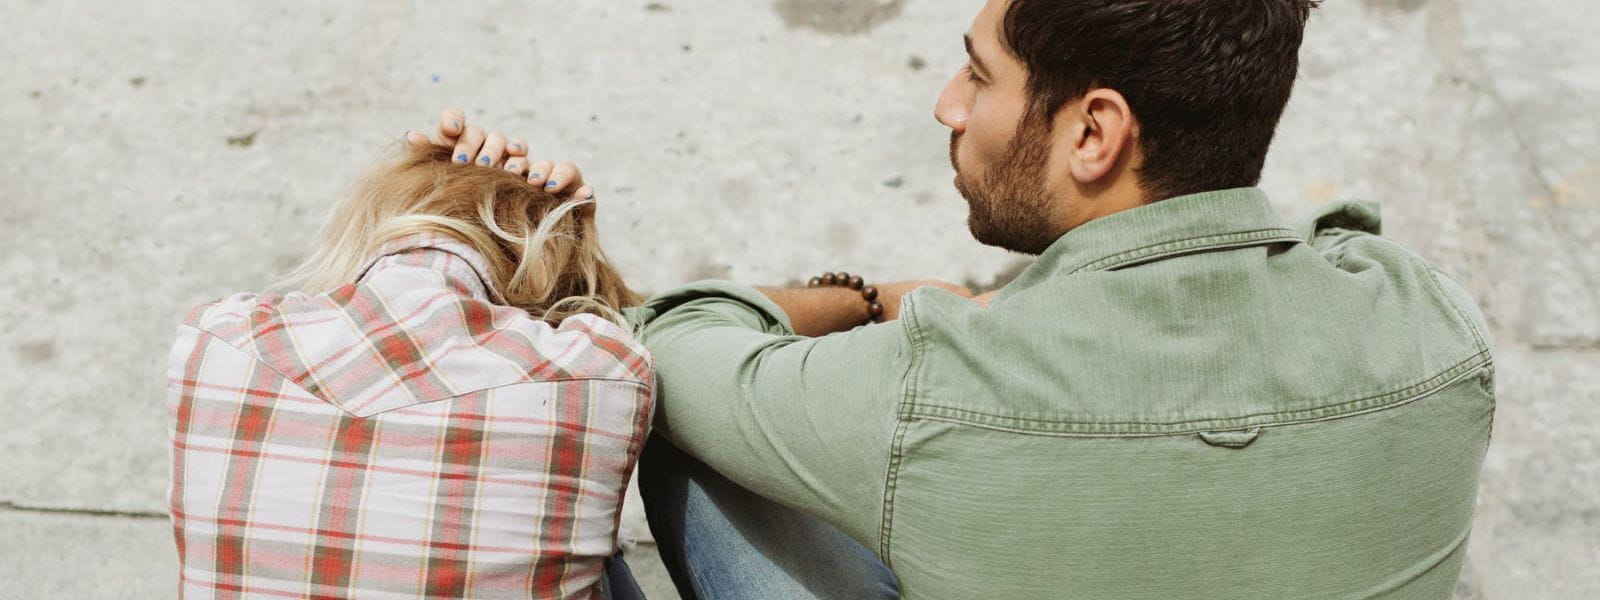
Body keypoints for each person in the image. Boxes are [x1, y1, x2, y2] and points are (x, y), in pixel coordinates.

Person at [433, 0, 1496, 596]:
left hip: (917, 417)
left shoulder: (936, 385)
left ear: (1093, 134)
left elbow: (664, 340)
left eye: (979, 76)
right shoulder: (1433, 325)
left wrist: (872, 300)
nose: (947, 104)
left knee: (697, 437)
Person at [165, 142, 653, 598]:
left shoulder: (219, 339)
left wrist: (433, 182)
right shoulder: (600, 374)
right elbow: (626, 326)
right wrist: (567, 227)